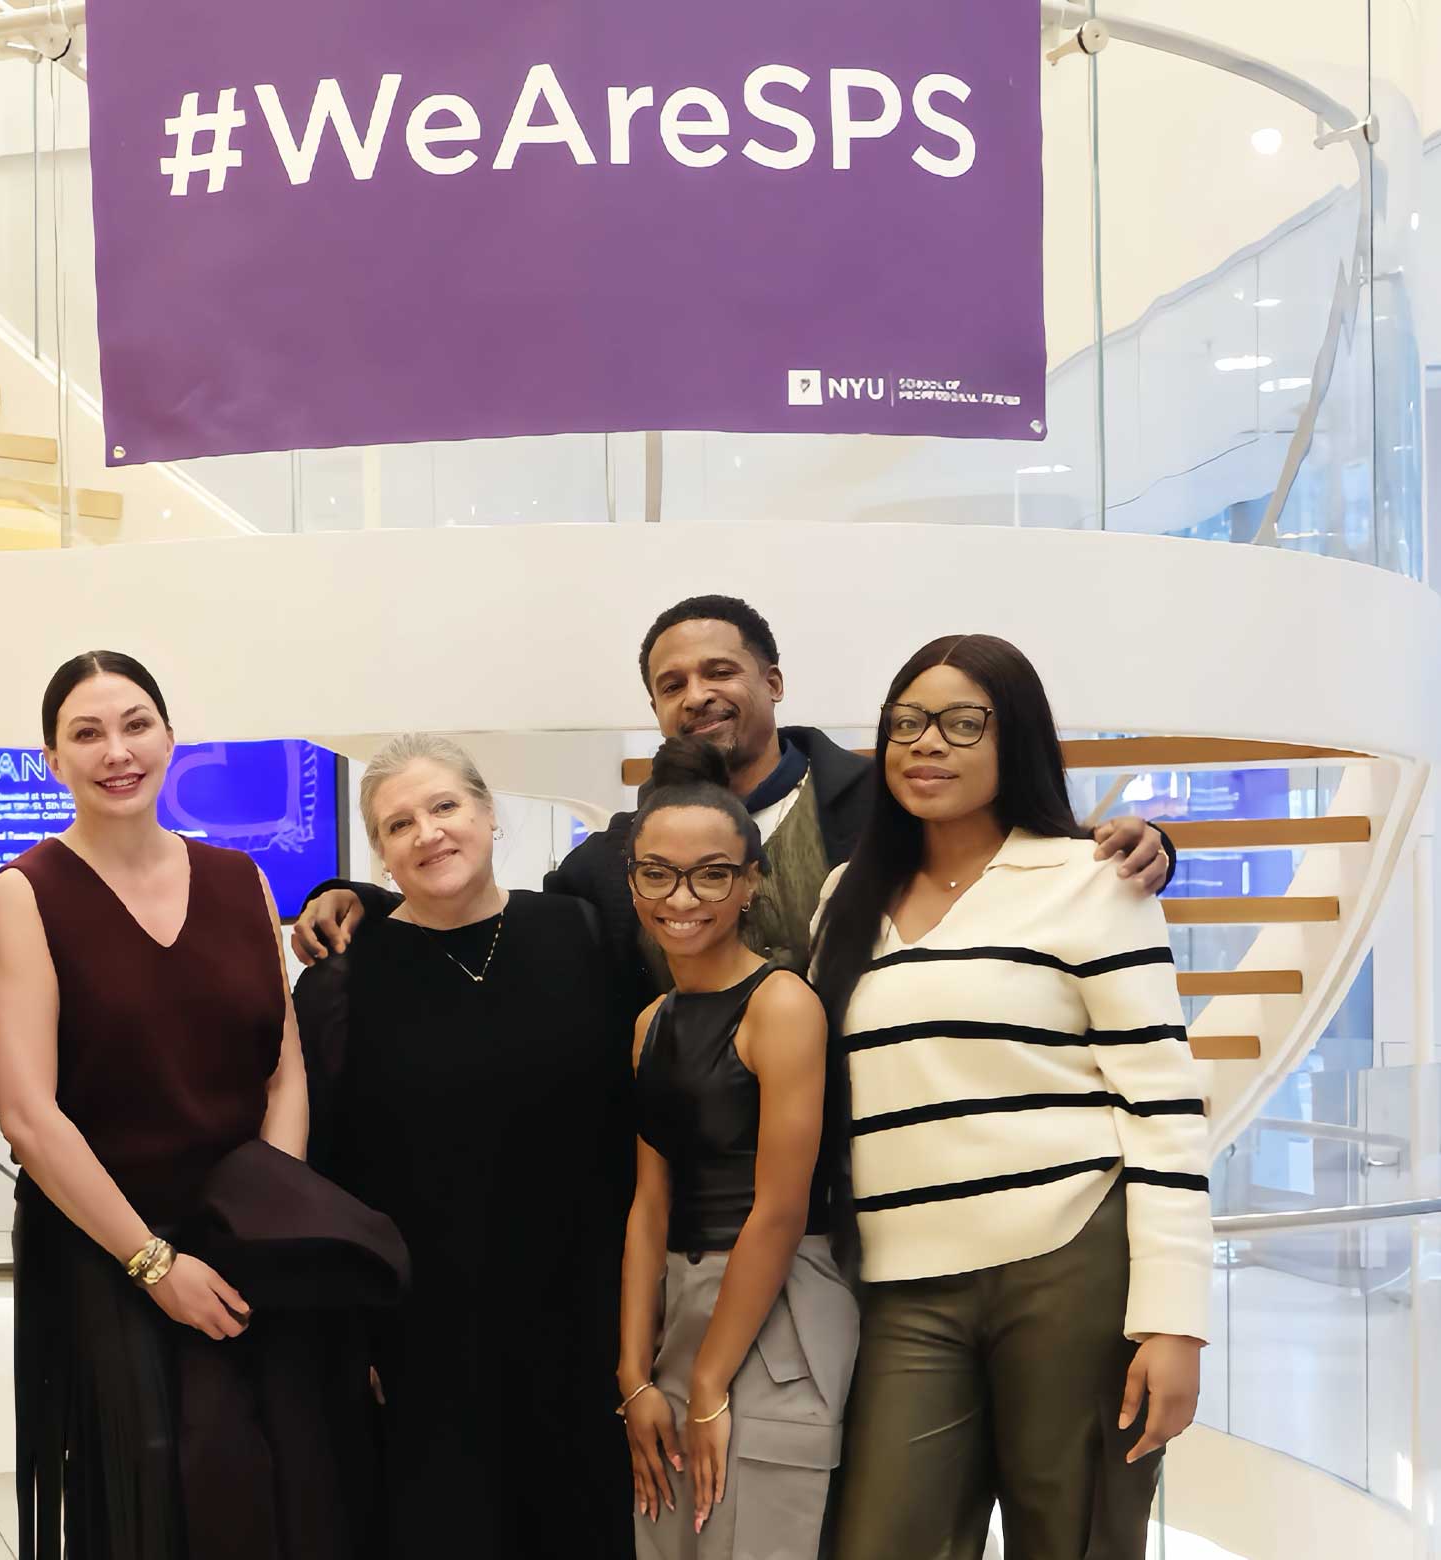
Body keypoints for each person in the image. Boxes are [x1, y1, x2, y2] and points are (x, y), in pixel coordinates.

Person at [809, 635, 1211, 1560]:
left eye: (963, 723)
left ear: (1015, 738)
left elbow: (1163, 1111)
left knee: (1073, 1539)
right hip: (901, 1281)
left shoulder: (1094, 879)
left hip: (1070, 1262)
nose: (927, 743)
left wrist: (1175, 1322)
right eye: (907, 722)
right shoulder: (843, 898)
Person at [289, 596, 1174, 992]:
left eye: (720, 671)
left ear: (773, 682)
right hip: (689, 1185)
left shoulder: (884, 804)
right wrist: (367, 899)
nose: (697, 696)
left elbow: (1008, 853)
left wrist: (1143, 844)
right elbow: (506, 926)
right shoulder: (609, 863)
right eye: (671, 684)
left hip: (872, 1153)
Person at [0, 650, 336, 1560]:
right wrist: (153, 1263)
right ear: (52, 760)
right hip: (105, 1246)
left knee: (272, 1482)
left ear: (171, 737)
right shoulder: (26, 894)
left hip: (243, 1237)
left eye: (136, 724)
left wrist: (267, 1219)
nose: (117, 751)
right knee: (152, 1494)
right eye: (87, 733)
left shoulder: (241, 878)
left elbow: (283, 1070)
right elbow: (29, 1115)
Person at [293, 734, 634, 1560]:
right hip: (424, 1334)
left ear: (488, 813)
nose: (429, 833)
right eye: (399, 824)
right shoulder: (344, 980)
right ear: (380, 854)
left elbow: (625, 1128)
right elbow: (324, 1173)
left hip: (581, 1315)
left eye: (445, 806)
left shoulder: (579, 933)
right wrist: (354, 1337)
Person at [615, 740, 855, 1560]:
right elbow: (649, 1207)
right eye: (658, 873)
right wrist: (634, 1377)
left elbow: (781, 1210)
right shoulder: (650, 1023)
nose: (682, 898)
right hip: (680, 1312)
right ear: (632, 881)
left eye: (712, 874)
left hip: (775, 1308)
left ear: (751, 882)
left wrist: (711, 1381)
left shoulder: (782, 1004)